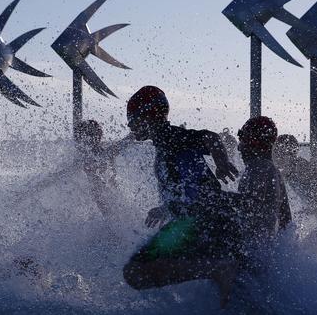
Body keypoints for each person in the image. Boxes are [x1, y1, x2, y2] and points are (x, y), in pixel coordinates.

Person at [121, 86, 240, 308]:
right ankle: (217, 271)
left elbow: (210, 138)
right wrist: (166, 208)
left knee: (136, 272)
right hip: (201, 220)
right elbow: (187, 190)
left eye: (133, 118)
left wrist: (221, 162)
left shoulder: (172, 137)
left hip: (203, 223)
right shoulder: (164, 145)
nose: (130, 125)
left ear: (150, 116)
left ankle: (217, 268)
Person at [237, 117, 292, 270]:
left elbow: (249, 203)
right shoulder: (273, 170)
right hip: (263, 254)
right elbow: (287, 223)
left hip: (249, 255)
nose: (238, 148)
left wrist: (211, 199)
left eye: (242, 140)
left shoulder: (259, 167)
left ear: (253, 143)